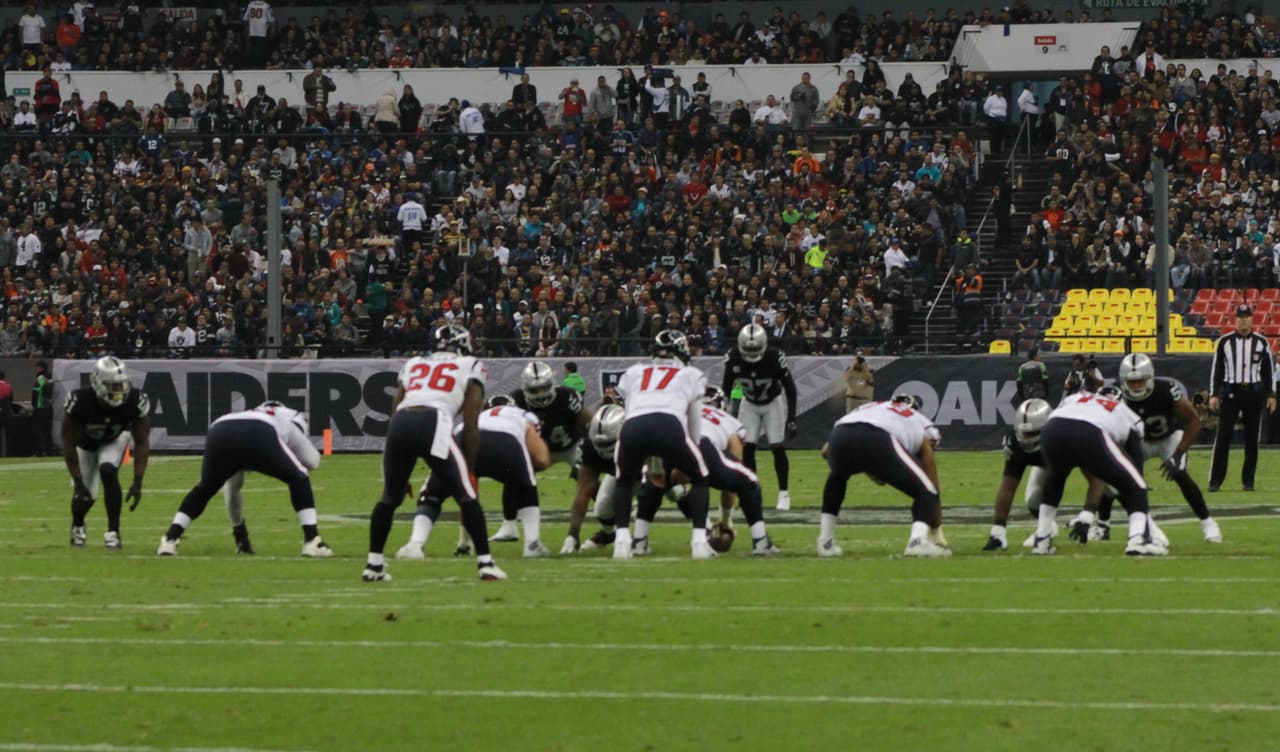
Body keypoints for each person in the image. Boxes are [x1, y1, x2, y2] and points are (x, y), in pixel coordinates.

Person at [362, 324, 505, 582]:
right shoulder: (470, 365)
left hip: (400, 422)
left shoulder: (414, 363)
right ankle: (486, 563)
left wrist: (398, 463)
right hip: (434, 420)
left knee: (389, 497)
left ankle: (373, 565)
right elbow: (471, 423)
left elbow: (396, 405)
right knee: (466, 493)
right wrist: (470, 467)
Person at [157, 401, 331, 557]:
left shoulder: (249, 414)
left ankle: (170, 539)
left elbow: (232, 490)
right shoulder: (289, 421)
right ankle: (312, 540)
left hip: (220, 428)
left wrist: (240, 534)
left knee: (206, 488)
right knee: (299, 478)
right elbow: (312, 461)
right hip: (259, 433)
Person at [629, 387, 780, 556]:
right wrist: (725, 521)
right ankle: (760, 541)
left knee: (654, 483)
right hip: (702, 444)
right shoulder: (729, 421)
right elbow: (732, 477)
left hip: (667, 439)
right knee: (748, 480)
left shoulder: (679, 411)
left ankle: (639, 541)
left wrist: (674, 481)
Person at [399, 394, 551, 560]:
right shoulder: (522, 415)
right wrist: (522, 473)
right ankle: (532, 544)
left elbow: (466, 491)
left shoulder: (473, 418)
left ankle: (416, 544)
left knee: (432, 494)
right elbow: (542, 460)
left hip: (465, 437)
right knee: (527, 486)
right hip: (506, 441)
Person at [1095, 354, 1221, 543]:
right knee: (1113, 478)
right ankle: (1102, 526)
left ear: (1150, 378)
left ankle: (1208, 523)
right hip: (1139, 442)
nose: (1136, 386)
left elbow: (1194, 421)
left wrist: (1178, 453)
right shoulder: (1117, 397)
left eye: (1140, 381)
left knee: (1180, 474)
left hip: (1168, 438)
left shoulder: (1165, 391)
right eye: (1131, 382)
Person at [610, 330, 712, 560]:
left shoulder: (635, 372)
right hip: (668, 425)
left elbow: (628, 411)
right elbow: (694, 428)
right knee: (701, 477)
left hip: (632, 427)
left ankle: (622, 542)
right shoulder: (690, 375)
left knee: (624, 480)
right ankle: (699, 541)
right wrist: (690, 456)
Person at [1029, 386, 1165, 556]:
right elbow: (1134, 467)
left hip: (1052, 429)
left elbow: (1061, 415)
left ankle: (1042, 540)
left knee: (1056, 477)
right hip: (1090, 431)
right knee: (1137, 484)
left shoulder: (1078, 397)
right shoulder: (1129, 415)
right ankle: (1138, 539)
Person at [819, 395, 950, 558]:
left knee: (837, 476)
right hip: (879, 437)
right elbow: (929, 467)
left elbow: (825, 451)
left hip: (840, 434)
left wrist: (866, 466)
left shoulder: (870, 408)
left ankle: (825, 542)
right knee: (928, 490)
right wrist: (936, 529)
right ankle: (917, 542)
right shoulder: (920, 421)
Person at [488, 361, 592, 541]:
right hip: (538, 449)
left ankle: (608, 520)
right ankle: (508, 526)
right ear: (525, 388)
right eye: (534, 390)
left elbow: (588, 424)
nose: (540, 394)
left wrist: (584, 454)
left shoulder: (566, 396)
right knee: (513, 474)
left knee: (588, 475)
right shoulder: (516, 400)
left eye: (544, 388)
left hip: (571, 446)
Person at [62, 356, 150, 549]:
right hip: (85, 446)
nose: (119, 391)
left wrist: (137, 482)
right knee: (86, 496)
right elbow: (68, 443)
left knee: (108, 471)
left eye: (121, 385)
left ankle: (113, 532)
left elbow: (142, 442)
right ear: (97, 384)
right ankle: (78, 525)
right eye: (113, 386)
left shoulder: (133, 400)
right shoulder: (80, 402)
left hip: (114, 440)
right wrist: (77, 481)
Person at [722, 323, 798, 510]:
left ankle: (784, 494)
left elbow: (790, 387)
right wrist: (722, 415)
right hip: (749, 403)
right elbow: (726, 388)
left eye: (755, 349)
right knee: (747, 449)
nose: (751, 353)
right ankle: (752, 490)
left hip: (772, 403)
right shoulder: (733, 358)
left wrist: (791, 417)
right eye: (748, 349)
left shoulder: (774, 357)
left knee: (777, 446)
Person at [1208, 305, 1275, 492]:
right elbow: (1217, 370)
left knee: (1252, 439)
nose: (1243, 321)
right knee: (1223, 437)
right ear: (1234, 320)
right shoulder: (1224, 342)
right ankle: (1215, 481)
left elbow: (1268, 372)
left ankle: (1248, 481)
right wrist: (1214, 394)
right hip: (1231, 393)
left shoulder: (1261, 342)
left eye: (1246, 317)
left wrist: (1271, 394)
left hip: (1253, 393)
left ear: (1252, 319)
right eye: (1240, 317)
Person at [561, 403, 625, 553]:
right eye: (599, 443)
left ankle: (640, 538)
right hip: (618, 471)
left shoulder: (636, 442)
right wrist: (572, 534)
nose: (603, 449)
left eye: (608, 443)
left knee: (671, 490)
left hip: (641, 470)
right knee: (603, 508)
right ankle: (610, 534)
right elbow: (583, 492)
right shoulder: (589, 446)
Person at [32, 361, 55, 456]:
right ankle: (49, 451)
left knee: (38, 430)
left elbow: (36, 393)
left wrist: (34, 405)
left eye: (36, 367)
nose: (35, 369)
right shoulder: (51, 378)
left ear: (40, 368)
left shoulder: (40, 378)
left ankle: (39, 452)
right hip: (49, 407)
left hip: (40, 407)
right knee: (47, 431)